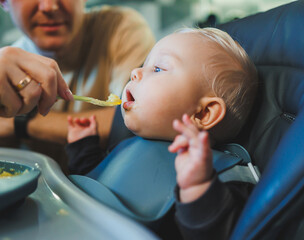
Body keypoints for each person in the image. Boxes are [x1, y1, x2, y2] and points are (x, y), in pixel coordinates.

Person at [65, 27, 258, 238]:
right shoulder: (129, 146)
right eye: (144, 65)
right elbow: (100, 186)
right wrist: (83, 148)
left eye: (157, 69)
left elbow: (218, 232)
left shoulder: (223, 181)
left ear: (203, 113)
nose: (135, 72)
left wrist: (197, 188)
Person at [0, 0, 155, 167]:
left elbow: (140, 117)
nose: (50, 6)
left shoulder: (119, 28)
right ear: (3, 1)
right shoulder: (3, 74)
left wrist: (22, 122)